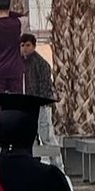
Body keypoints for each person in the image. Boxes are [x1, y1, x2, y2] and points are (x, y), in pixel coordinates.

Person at [20, 33, 63, 168]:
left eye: (28, 45)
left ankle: (58, 167)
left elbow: (45, 86)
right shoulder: (21, 64)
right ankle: (33, 167)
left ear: (34, 46)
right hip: (28, 107)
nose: (25, 48)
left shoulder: (41, 63)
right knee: (30, 139)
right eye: (22, 45)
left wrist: (42, 104)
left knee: (47, 137)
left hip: (41, 107)